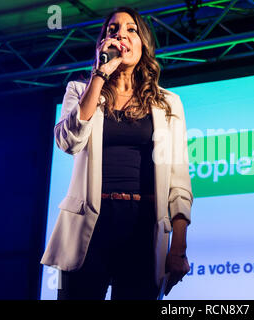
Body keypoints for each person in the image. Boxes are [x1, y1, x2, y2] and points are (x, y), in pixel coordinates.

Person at [40, 7, 193, 300]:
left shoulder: (169, 103)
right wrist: (100, 74)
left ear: (143, 43)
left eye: (130, 29)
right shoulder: (79, 90)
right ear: (102, 44)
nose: (121, 34)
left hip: (143, 225)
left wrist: (179, 247)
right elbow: (68, 142)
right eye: (113, 30)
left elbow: (179, 182)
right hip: (90, 223)